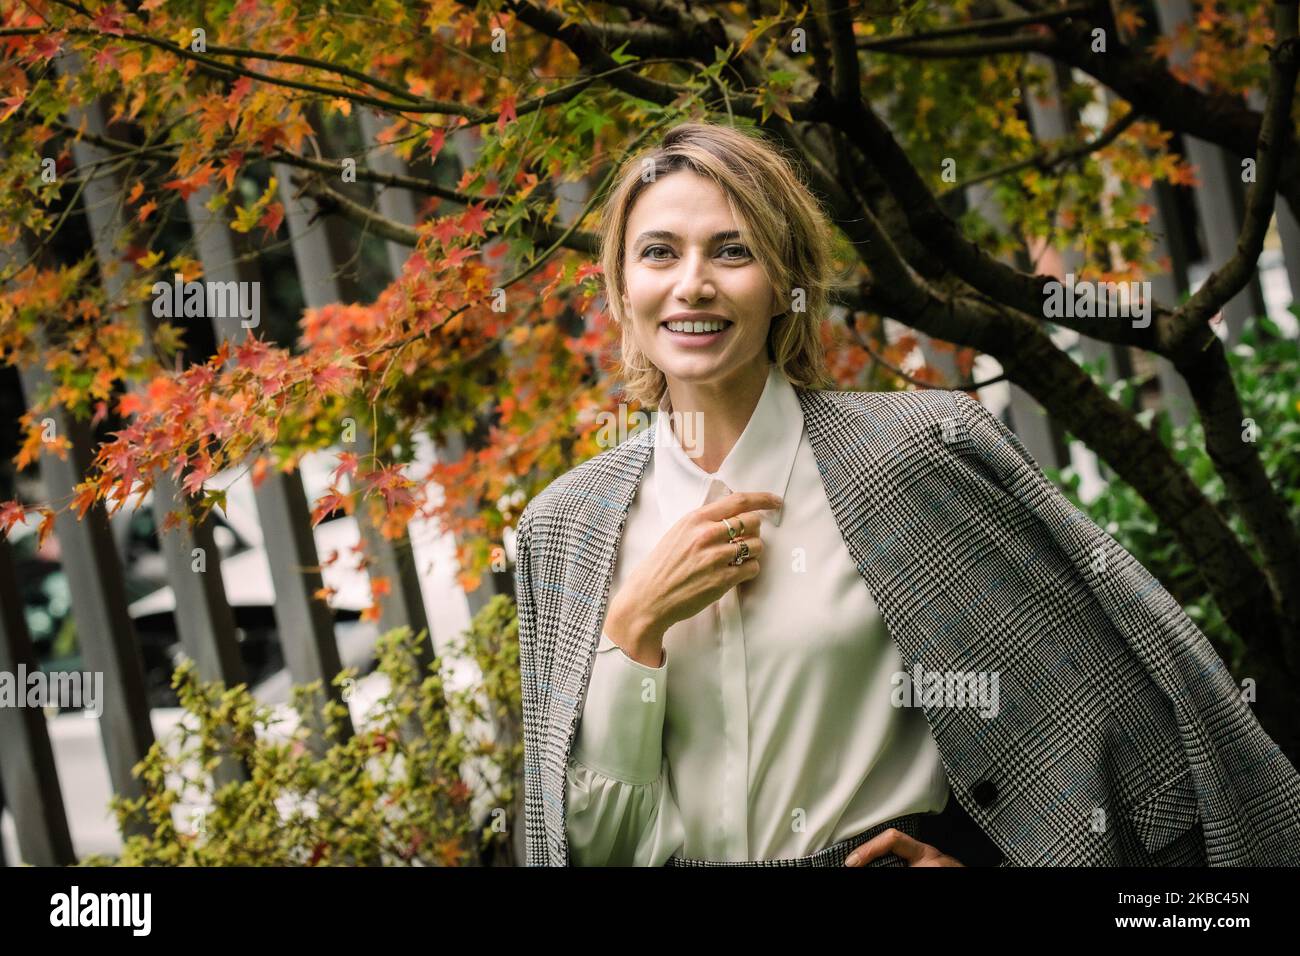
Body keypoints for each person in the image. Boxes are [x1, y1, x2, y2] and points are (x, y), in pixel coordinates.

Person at [511, 121, 1300, 867]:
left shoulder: (922, 452)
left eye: (732, 250)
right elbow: (588, 847)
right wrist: (633, 623)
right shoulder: (564, 532)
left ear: (784, 279)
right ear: (619, 285)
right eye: (658, 253)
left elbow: (1101, 707)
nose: (693, 285)